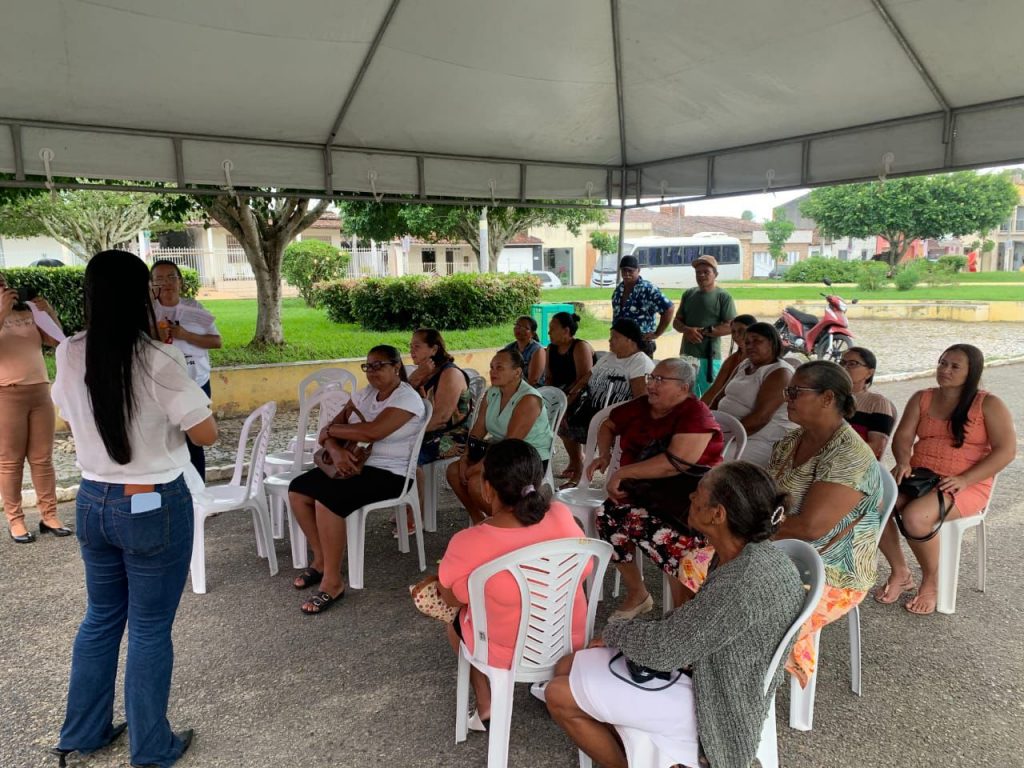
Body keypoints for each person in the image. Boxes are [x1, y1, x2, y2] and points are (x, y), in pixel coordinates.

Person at [51, 250, 217, 768]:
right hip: (152, 501)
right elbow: (205, 432)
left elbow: (68, 413)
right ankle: (151, 747)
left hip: (92, 500)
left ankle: (84, 732)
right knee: (148, 627)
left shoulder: (69, 351)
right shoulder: (158, 358)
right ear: (140, 295)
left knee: (101, 618)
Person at [545, 462, 805, 768]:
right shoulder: (745, 555)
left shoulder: (743, 578)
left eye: (698, 494)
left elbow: (666, 650)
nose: (691, 497)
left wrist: (616, 633)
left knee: (559, 694)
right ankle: (641, 752)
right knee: (566, 665)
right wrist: (624, 635)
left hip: (717, 705)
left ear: (717, 514)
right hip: (706, 673)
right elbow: (690, 628)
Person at [438, 439, 590, 730]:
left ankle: (486, 703)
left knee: (455, 621)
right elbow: (586, 568)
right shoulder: (561, 516)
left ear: (487, 488)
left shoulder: (469, 541)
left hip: (506, 651)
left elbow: (452, 599)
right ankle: (554, 682)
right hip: (566, 640)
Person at [875, 344, 1015, 614]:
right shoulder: (922, 397)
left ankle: (931, 581)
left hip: (966, 483)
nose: (944, 370)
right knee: (874, 504)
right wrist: (903, 461)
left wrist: (966, 479)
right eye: (942, 363)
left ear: (971, 372)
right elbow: (903, 436)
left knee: (916, 517)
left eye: (954, 366)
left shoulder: (989, 404)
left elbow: (1006, 451)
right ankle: (900, 571)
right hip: (920, 476)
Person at [768, 360, 882, 686]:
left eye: (795, 392)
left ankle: (742, 683)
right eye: (788, 391)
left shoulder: (849, 454)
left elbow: (809, 528)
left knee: (745, 604)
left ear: (828, 398)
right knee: (698, 557)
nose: (787, 398)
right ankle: (702, 662)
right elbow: (766, 496)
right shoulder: (792, 440)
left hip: (830, 571)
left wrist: (741, 524)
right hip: (780, 549)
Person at [288, 345, 425, 613]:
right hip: (352, 464)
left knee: (328, 500)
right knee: (298, 490)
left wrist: (333, 432)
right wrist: (336, 451)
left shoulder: (407, 399)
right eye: (368, 366)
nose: (372, 371)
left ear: (396, 366)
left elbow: (373, 431)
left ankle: (333, 582)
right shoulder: (365, 394)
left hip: (392, 473)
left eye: (379, 365)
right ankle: (321, 560)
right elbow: (326, 434)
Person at [591, 358, 724, 620]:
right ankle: (638, 593)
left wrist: (622, 473)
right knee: (607, 515)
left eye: (660, 380)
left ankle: (683, 613)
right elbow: (608, 424)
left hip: (687, 503)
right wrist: (604, 454)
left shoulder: (695, 414)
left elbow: (675, 463)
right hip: (646, 492)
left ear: (683, 387)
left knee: (675, 542)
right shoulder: (643, 405)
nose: (651, 384)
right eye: (651, 378)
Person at [447, 348, 552, 525]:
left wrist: (476, 469)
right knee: (453, 471)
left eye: (499, 367)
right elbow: (478, 429)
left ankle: (508, 524)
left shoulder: (529, 399)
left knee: (476, 483)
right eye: (491, 367)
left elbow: (509, 445)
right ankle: (479, 519)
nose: (493, 372)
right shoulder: (492, 393)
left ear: (517, 372)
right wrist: (465, 456)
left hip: (526, 459)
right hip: (498, 452)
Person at [0, 272, 69, 542]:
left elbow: (56, 340)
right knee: (10, 461)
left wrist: (48, 312)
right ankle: (15, 520)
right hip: (7, 393)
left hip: (39, 389)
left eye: (4, 284)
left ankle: (49, 515)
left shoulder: (26, 310)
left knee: (42, 458)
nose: (4, 289)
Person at [150, 260, 222, 481]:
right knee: (167, 438)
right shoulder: (148, 311)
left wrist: (185, 335)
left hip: (196, 382)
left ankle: (198, 489)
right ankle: (173, 485)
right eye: (159, 279)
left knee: (195, 439)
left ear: (180, 281)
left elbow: (216, 342)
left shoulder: (195, 308)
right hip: (161, 386)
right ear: (151, 284)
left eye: (171, 277)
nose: (166, 283)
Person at [406, 328, 471, 534]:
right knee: (392, 449)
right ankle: (407, 503)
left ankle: (416, 512)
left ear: (434, 349)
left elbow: (441, 418)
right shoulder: (424, 372)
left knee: (408, 456)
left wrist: (408, 435)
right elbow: (398, 403)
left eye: (417, 346)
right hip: (428, 431)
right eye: (410, 346)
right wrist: (414, 379)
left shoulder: (450, 373)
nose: (412, 350)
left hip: (453, 436)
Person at [562, 318, 654, 456]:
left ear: (629, 339)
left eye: (615, 337)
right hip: (589, 412)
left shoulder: (639, 361)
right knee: (562, 425)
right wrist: (567, 404)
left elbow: (640, 399)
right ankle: (577, 463)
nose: (610, 340)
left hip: (613, 417)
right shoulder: (608, 357)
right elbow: (583, 381)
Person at [710, 322, 795, 466]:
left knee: (708, 459)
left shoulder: (780, 373)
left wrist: (721, 436)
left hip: (759, 439)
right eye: (747, 342)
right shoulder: (745, 364)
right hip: (726, 432)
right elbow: (720, 396)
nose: (750, 346)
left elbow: (760, 419)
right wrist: (706, 421)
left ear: (772, 343)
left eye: (757, 341)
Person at [672, 254, 737, 397]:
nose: (701, 275)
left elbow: (731, 326)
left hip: (710, 357)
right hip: (687, 354)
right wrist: (687, 330)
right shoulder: (688, 294)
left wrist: (705, 331)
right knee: (686, 394)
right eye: (698, 272)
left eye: (706, 272)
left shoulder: (723, 297)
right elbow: (676, 322)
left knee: (711, 395)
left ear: (715, 274)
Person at [544, 311, 595, 486]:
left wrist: (565, 403)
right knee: (550, 415)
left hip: (583, 395)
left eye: (552, 329)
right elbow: (549, 377)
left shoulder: (580, 347)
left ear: (566, 331)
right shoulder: (551, 349)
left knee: (567, 419)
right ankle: (575, 460)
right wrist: (552, 400)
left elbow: (583, 379)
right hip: (562, 393)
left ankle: (579, 469)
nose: (549, 332)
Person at [840, 346, 897, 460]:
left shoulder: (878, 403)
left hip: (853, 464)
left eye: (853, 364)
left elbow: (875, 448)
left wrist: (835, 454)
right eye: (842, 363)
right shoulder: (827, 397)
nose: (844, 367)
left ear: (869, 373)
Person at [610, 255, 675, 356]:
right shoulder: (618, 290)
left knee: (642, 367)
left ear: (638, 270)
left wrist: (657, 333)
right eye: (624, 270)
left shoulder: (648, 289)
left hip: (641, 345)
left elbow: (669, 308)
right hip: (620, 345)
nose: (626, 274)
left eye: (630, 271)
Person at [699, 313, 755, 407]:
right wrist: (698, 408)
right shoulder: (732, 359)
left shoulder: (758, 360)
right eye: (733, 332)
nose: (736, 336)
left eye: (741, 331)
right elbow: (714, 389)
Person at [504, 315, 546, 386]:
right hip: (512, 387)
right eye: (517, 325)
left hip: (533, 389)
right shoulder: (509, 348)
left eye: (525, 328)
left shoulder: (537, 350)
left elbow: (533, 381)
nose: (519, 329)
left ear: (532, 333)